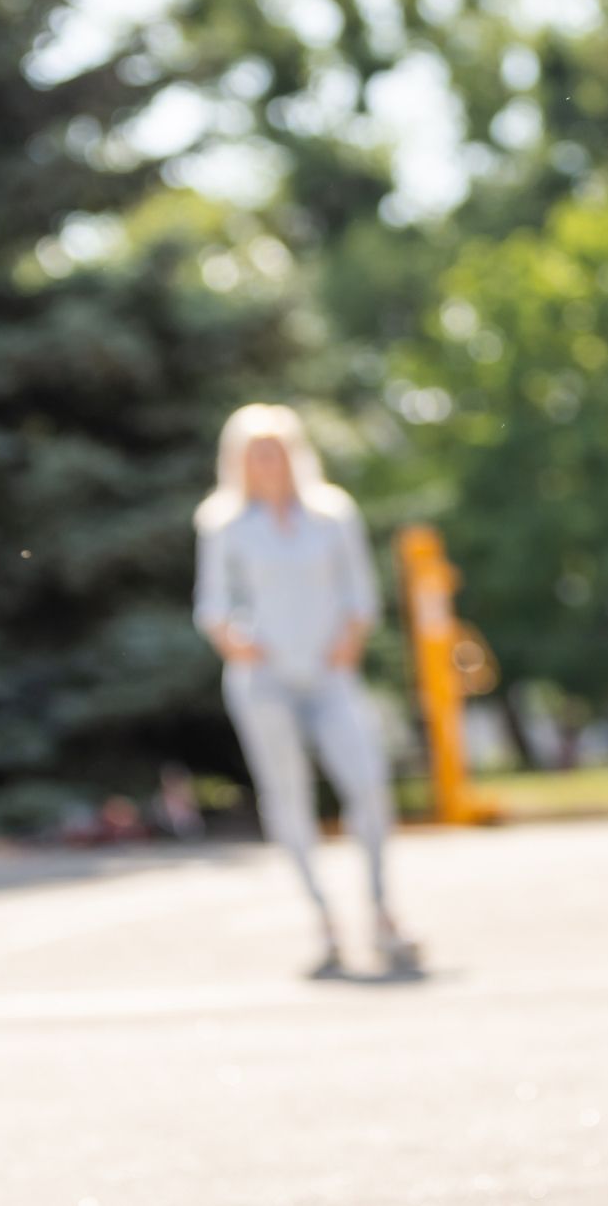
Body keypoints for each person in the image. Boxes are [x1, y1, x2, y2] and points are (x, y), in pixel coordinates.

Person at [194, 403, 419, 976]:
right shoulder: (223, 523)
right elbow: (212, 605)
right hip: (263, 682)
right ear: (239, 461)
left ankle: (380, 909)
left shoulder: (332, 514)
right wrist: (238, 642)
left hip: (330, 677)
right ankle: (322, 918)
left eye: (275, 449)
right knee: (286, 796)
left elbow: (361, 595)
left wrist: (347, 640)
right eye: (255, 452)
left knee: (367, 785)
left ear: (293, 452)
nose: (266, 461)